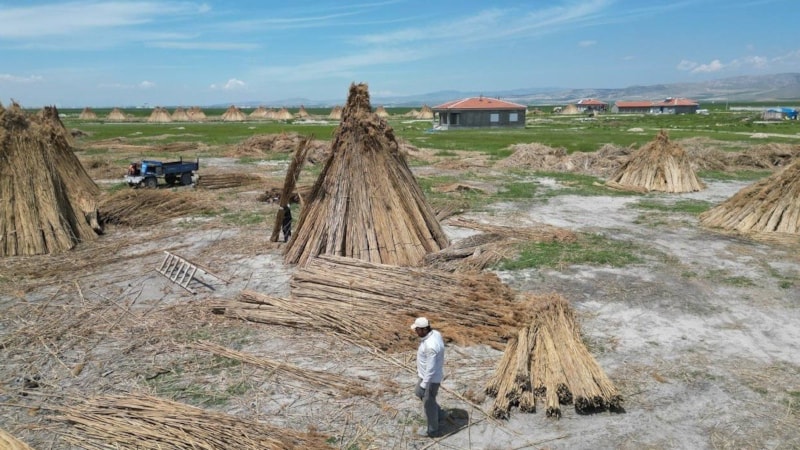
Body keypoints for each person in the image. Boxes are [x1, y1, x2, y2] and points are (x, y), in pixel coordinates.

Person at [411, 317, 446, 437]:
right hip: (425, 375)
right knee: (418, 392)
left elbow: (431, 369)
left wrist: (424, 385)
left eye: (417, 329)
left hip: (430, 379)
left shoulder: (430, 346)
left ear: (425, 329)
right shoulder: (435, 333)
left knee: (428, 404)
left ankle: (432, 430)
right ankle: (439, 414)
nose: (416, 331)